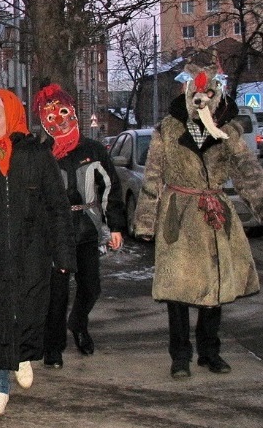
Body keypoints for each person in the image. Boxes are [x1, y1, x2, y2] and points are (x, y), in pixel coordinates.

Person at [133, 57, 263, 379]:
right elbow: (152, 176)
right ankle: (180, 356)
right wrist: (146, 222)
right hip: (178, 215)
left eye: (209, 90)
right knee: (177, 289)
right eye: (194, 89)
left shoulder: (228, 131)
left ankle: (210, 352)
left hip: (214, 217)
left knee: (214, 288)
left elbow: (247, 174)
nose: (201, 97)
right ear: (186, 89)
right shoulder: (168, 128)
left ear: (217, 92)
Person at [0, 89, 74, 417]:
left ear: (11, 115)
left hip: (31, 253)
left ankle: (22, 354)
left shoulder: (36, 155)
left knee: (28, 310)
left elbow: (57, 207)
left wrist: (63, 254)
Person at [34, 84, 125, 369]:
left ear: (72, 112)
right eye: (50, 116)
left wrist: (116, 226)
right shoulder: (41, 154)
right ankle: (53, 346)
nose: (58, 120)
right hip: (55, 232)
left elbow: (110, 187)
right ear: (42, 121)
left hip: (87, 229)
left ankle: (79, 324)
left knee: (91, 286)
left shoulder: (93, 150)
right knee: (56, 292)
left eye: (62, 112)